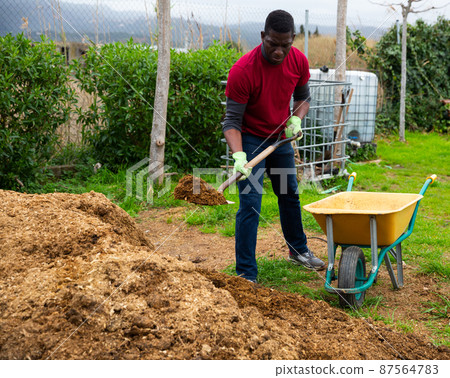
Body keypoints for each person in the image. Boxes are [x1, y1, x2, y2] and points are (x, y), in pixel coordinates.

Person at [222, 9, 325, 283]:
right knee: (251, 204)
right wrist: (239, 155)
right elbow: (231, 120)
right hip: (252, 139)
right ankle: (246, 272)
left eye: (285, 45)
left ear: (293, 39)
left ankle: (298, 250)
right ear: (262, 36)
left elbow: (303, 98)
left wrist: (296, 119)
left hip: (280, 139)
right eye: (273, 44)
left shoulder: (299, 61)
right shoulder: (243, 70)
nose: (279, 51)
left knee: (289, 194)